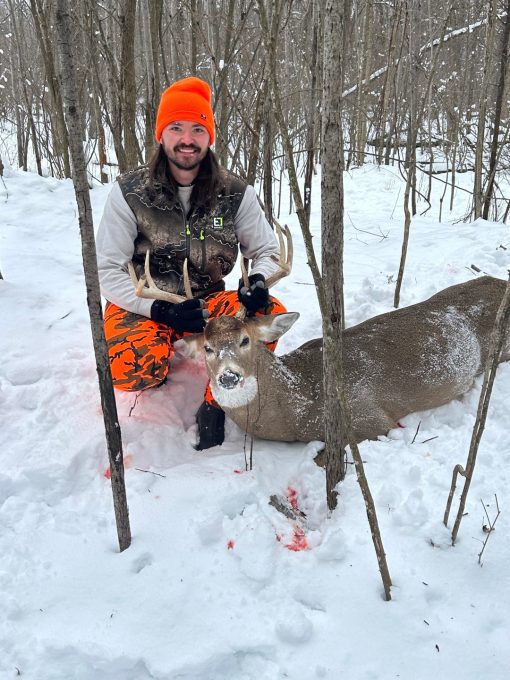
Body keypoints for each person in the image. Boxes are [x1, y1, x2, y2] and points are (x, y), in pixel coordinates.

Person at [96, 76, 286, 450]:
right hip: (144, 302)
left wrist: (258, 281)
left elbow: (267, 250)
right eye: (176, 128)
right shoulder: (130, 193)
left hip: (206, 304)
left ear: (209, 136)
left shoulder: (235, 193)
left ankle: (218, 400)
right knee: (133, 368)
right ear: (161, 135)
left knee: (269, 318)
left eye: (198, 129)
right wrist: (157, 309)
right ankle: (160, 353)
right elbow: (106, 269)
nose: (187, 139)